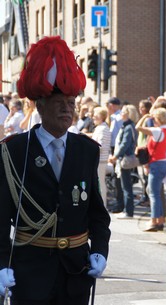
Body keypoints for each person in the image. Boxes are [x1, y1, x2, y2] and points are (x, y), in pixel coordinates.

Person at [0, 36, 110, 304]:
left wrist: (100, 250)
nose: (67, 108)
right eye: (59, 100)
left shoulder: (87, 150)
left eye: (71, 101)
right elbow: (1, 216)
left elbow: (97, 212)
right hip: (30, 271)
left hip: (75, 271)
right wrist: (1, 263)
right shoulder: (13, 151)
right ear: (40, 105)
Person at [136, 108, 166, 231]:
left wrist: (145, 117)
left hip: (156, 164)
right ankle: (160, 220)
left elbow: (138, 128)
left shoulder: (156, 131)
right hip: (162, 163)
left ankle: (153, 221)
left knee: (154, 194)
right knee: (156, 193)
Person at [108, 104, 139, 219]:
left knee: (126, 186)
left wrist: (115, 156)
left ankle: (128, 211)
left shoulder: (128, 126)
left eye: (123, 112)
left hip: (125, 159)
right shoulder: (126, 126)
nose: (121, 113)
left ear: (127, 114)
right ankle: (127, 210)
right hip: (123, 158)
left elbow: (124, 144)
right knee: (125, 185)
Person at [92, 106, 112, 207]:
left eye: (95, 115)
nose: (93, 117)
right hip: (101, 159)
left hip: (100, 160)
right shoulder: (102, 128)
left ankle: (102, 205)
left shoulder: (103, 129)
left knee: (100, 183)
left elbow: (100, 145)